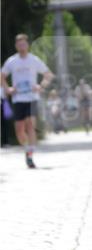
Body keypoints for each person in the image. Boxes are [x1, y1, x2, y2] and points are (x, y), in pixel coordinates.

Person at [1, 34, 53, 168]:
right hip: (18, 99)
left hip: (32, 98)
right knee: (19, 130)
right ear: (16, 46)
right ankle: (27, 149)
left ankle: (30, 155)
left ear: (28, 45)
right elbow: (2, 76)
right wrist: (8, 89)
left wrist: (40, 86)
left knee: (30, 125)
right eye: (19, 44)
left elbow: (48, 75)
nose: (22, 46)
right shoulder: (12, 61)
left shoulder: (34, 60)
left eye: (24, 44)